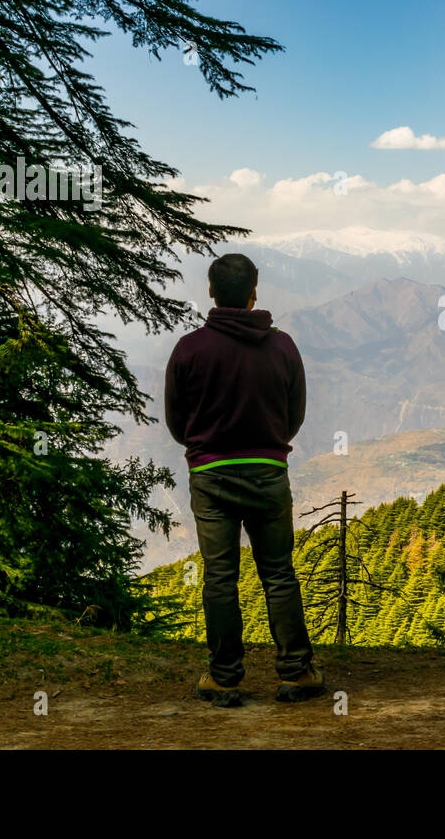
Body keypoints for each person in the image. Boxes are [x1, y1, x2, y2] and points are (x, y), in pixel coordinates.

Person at [164, 253, 326, 707]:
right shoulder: (283, 347)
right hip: (268, 474)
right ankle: (297, 672)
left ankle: (225, 678)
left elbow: (178, 424)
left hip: (210, 476)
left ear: (211, 291)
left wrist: (207, 448)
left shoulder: (189, 349)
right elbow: (294, 418)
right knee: (278, 573)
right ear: (255, 291)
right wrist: (267, 445)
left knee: (219, 577)